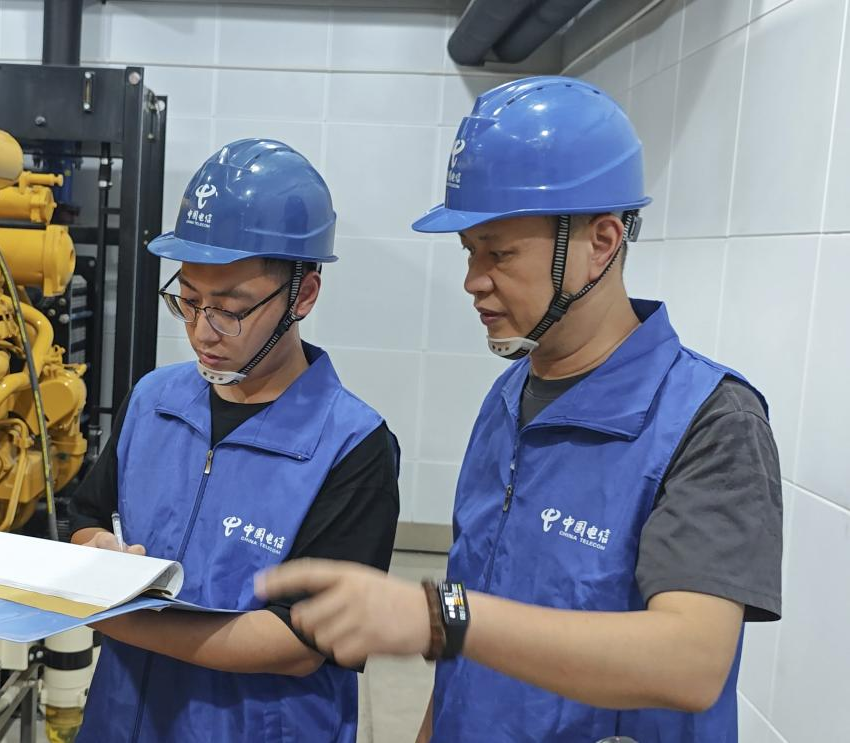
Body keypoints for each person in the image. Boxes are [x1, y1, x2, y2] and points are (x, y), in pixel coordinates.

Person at [256, 76, 782, 742]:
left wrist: (436, 615)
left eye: (500, 253)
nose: (473, 280)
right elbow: (469, 643)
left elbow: (692, 662)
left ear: (602, 241)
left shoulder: (710, 421)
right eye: (470, 252)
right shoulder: (510, 398)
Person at [68, 138, 400, 742]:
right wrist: (102, 554)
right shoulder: (154, 400)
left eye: (230, 309)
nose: (202, 332)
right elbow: (89, 515)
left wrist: (107, 614)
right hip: (123, 718)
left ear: (303, 295)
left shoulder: (352, 445)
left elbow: (301, 639)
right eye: (189, 302)